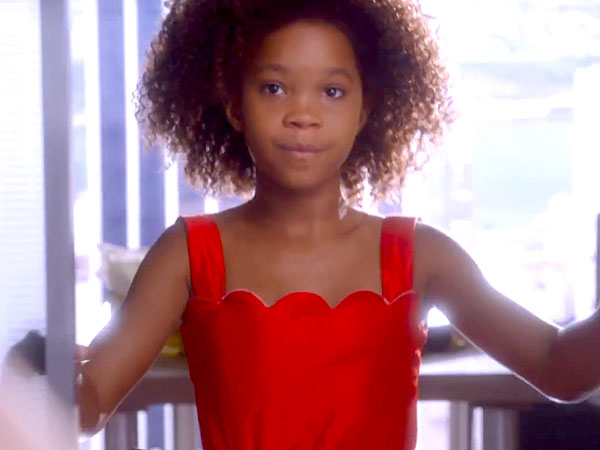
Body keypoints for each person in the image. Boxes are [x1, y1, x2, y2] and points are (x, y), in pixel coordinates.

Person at [76, 0, 600, 448]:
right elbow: (91, 400)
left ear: (366, 110)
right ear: (234, 104)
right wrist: (47, 376)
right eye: (274, 87)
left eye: (332, 91)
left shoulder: (421, 256)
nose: (302, 114)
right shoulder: (188, 254)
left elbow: (558, 367)